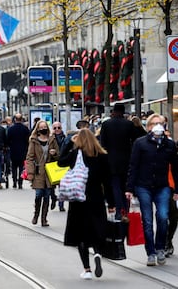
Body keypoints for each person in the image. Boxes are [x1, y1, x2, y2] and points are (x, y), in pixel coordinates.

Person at [58, 128, 114, 280]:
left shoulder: (76, 154)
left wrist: (69, 143)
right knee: (96, 229)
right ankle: (97, 252)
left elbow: (60, 161)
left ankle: (87, 269)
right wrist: (111, 202)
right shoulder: (102, 156)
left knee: (80, 235)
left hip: (78, 199)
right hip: (96, 198)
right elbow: (108, 181)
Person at [125, 113, 178, 266]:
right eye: (154, 123)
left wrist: (176, 189)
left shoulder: (169, 145)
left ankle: (160, 247)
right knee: (147, 221)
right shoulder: (140, 143)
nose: (158, 126)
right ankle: (151, 252)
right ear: (148, 127)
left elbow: (175, 168)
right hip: (143, 186)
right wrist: (129, 188)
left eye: (160, 123)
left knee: (162, 217)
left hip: (162, 186)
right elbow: (133, 166)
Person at [100, 103, 136, 220]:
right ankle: (125, 209)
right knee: (125, 186)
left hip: (111, 160)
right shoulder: (129, 124)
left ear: (113, 111)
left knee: (115, 186)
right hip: (126, 159)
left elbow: (103, 143)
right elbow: (134, 140)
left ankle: (118, 211)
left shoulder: (106, 124)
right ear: (123, 111)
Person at [25, 120, 59, 226]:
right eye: (41, 127)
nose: (43, 129)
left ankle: (44, 219)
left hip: (49, 171)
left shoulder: (52, 139)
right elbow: (29, 157)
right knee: (39, 194)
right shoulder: (34, 140)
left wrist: (54, 153)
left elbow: (59, 155)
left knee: (47, 195)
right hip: (38, 171)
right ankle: (36, 215)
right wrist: (30, 172)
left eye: (45, 127)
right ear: (37, 129)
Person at [7, 113, 30, 189]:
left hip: (13, 151)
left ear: (15, 119)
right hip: (23, 151)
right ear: (21, 119)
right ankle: (20, 183)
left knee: (13, 167)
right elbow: (28, 140)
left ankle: (14, 182)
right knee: (21, 167)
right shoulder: (25, 129)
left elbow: (7, 140)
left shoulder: (11, 129)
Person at [50, 121, 66, 211]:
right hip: (52, 164)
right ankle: (53, 198)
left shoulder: (65, 138)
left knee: (62, 186)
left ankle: (61, 204)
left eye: (58, 128)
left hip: (62, 164)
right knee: (51, 187)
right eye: (55, 128)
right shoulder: (50, 138)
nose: (57, 130)